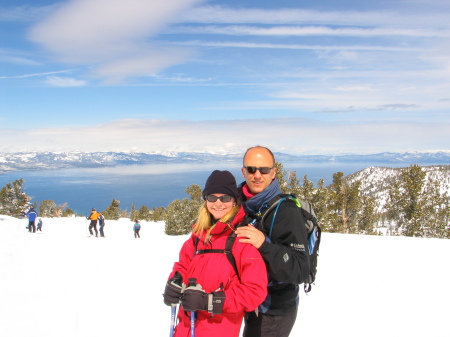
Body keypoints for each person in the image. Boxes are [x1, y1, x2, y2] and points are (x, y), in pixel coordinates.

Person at [163, 170, 268, 337]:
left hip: (218, 330)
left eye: (225, 198)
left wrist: (212, 301)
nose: (218, 203)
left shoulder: (242, 238)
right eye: (212, 197)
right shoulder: (198, 237)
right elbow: (183, 266)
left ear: (235, 201)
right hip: (184, 328)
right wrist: (174, 283)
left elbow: (255, 291)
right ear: (205, 201)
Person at [235, 146, 311, 337]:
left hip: (273, 311)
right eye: (251, 169)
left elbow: (300, 270)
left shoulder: (286, 212)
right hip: (249, 302)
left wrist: (264, 245)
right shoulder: (240, 205)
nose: (257, 175)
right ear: (243, 171)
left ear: (274, 173)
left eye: (264, 170)